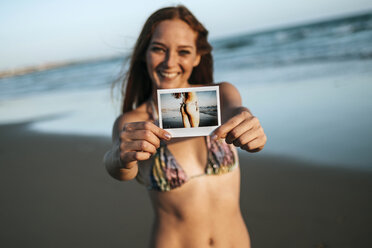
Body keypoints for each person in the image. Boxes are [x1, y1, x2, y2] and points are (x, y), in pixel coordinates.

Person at [104, 5, 267, 248]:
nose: (170, 62)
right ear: (144, 54)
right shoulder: (133, 122)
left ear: (197, 56)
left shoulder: (220, 96)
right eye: (159, 49)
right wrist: (117, 157)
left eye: (183, 51)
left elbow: (236, 111)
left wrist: (248, 124)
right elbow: (122, 171)